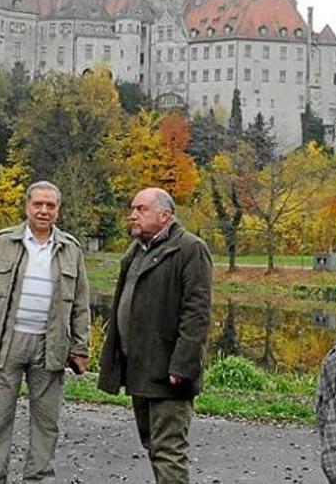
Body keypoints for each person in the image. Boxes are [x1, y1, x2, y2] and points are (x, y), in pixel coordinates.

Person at [0, 181, 91, 483]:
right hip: (5, 342)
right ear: (27, 206)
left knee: (47, 424)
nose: (44, 210)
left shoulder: (71, 250)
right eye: (38, 204)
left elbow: (81, 306)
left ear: (58, 210)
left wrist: (80, 347)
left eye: (51, 205)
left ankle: (39, 479)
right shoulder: (0, 243)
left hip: (51, 346)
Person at [98, 187, 212, 484]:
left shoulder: (190, 249)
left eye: (140, 209)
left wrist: (182, 365)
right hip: (140, 371)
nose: (131, 214)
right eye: (132, 208)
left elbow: (196, 313)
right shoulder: (137, 250)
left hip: (169, 374)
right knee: (153, 446)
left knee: (168, 451)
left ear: (165, 215)